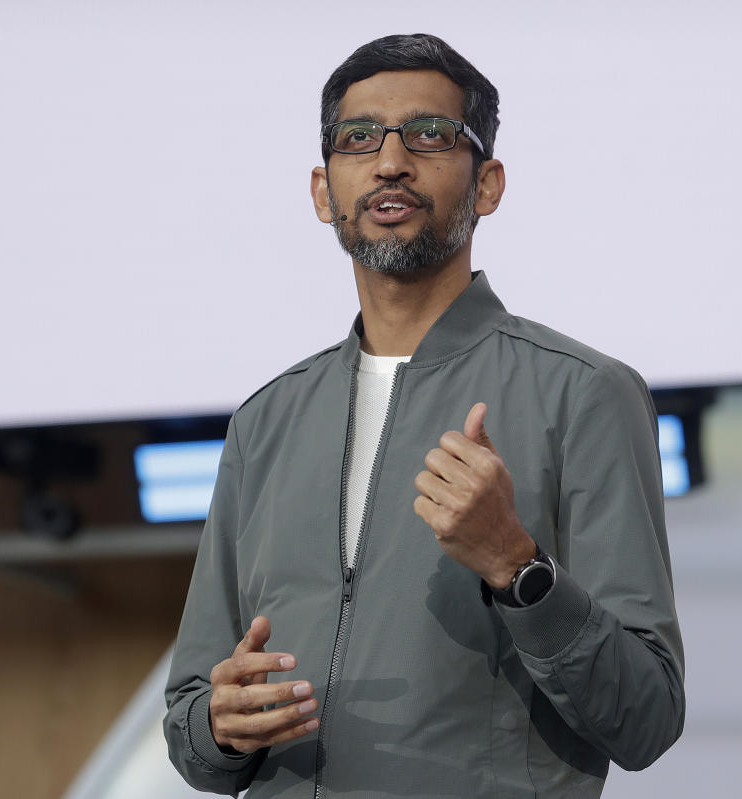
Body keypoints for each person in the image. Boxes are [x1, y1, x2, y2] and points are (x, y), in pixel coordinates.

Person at [164, 33, 684, 798]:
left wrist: (518, 567)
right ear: (322, 190)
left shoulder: (584, 393)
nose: (390, 161)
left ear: (489, 183)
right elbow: (190, 725)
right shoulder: (265, 421)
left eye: (431, 135)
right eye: (358, 138)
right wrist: (220, 721)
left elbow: (648, 715)